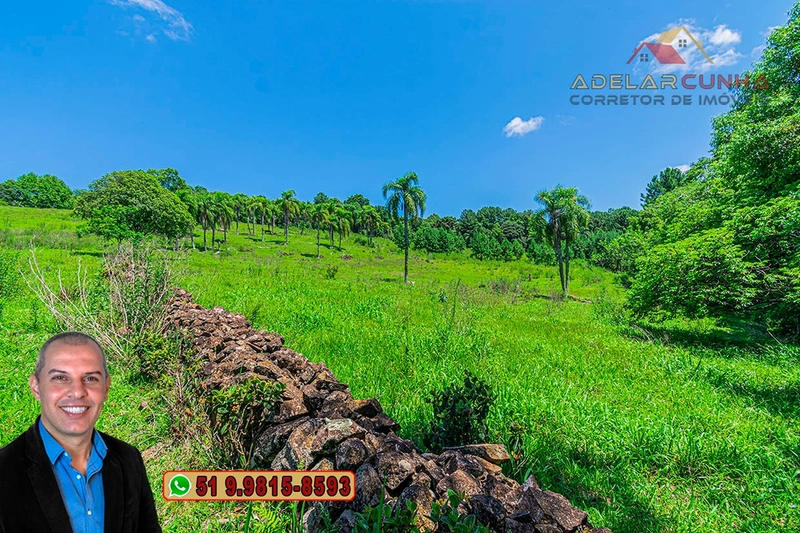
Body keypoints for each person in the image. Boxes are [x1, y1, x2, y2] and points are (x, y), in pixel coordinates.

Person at [0, 332, 162, 533]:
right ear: (36, 387)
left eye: (90, 378)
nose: (77, 392)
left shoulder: (129, 460)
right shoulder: (4, 471)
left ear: (106, 388)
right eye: (60, 378)